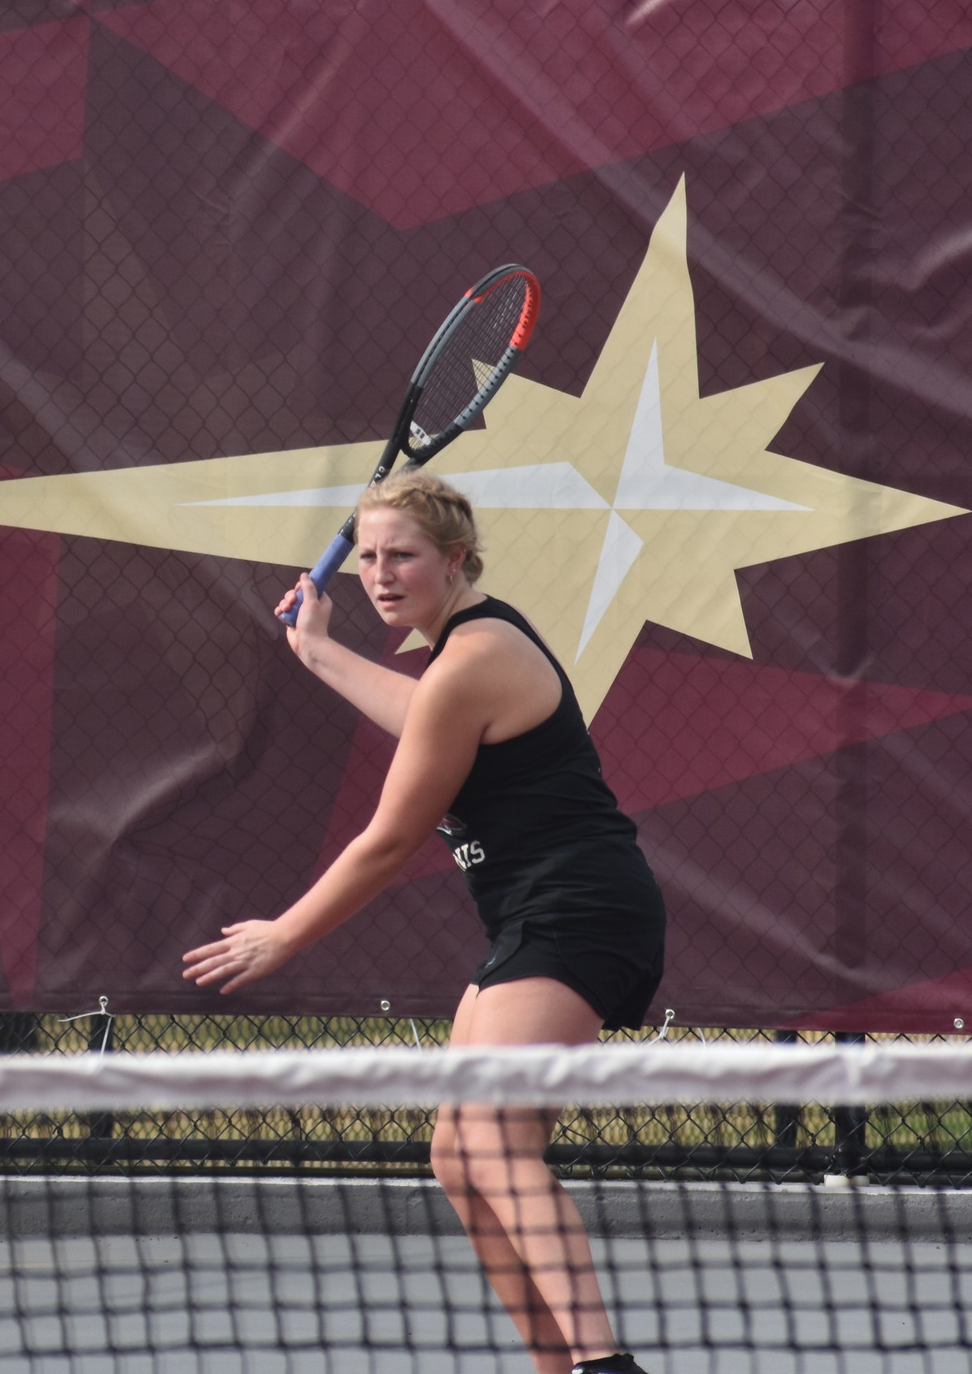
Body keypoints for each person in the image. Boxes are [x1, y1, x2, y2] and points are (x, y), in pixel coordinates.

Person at [182, 471, 666, 1374]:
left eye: (401, 555)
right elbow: (422, 718)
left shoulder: (474, 657)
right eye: (366, 556)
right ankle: (553, 1365)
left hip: (580, 908)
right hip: (534, 912)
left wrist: (284, 932)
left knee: (494, 1138)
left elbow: (390, 837)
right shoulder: (459, 654)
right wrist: (318, 650)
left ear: (455, 559)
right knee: (455, 1153)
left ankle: (606, 1368)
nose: (378, 575)